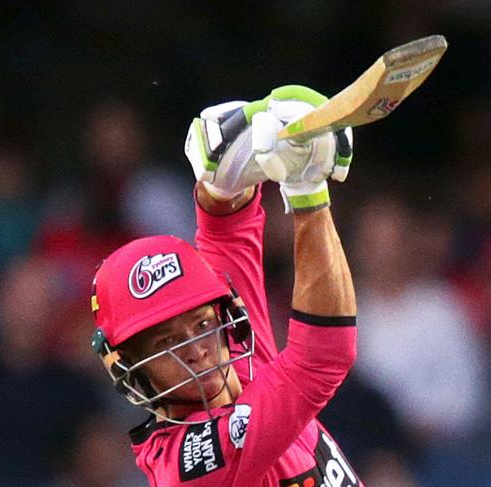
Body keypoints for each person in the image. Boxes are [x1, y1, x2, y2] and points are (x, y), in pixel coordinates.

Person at [90, 86, 363, 486]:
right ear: (130, 367)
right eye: (168, 344)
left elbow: (228, 235)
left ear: (224, 315)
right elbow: (323, 359)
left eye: (202, 325)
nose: (198, 350)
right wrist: (308, 189)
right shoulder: (190, 466)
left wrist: (223, 180)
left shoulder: (237, 360)